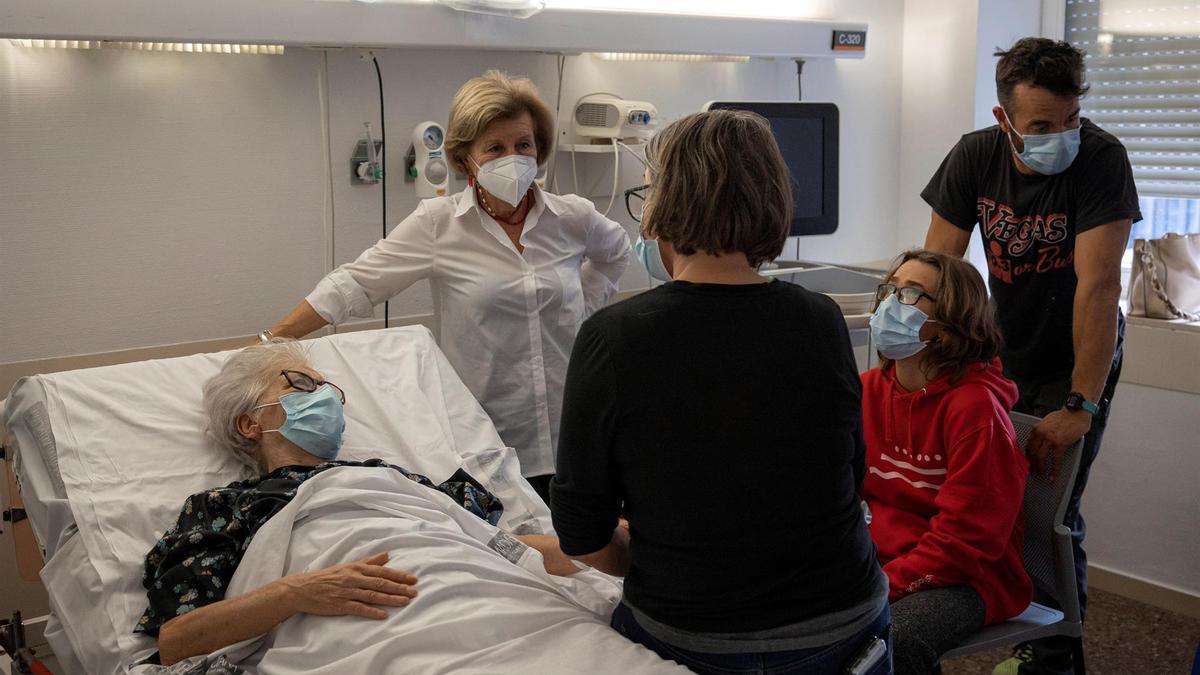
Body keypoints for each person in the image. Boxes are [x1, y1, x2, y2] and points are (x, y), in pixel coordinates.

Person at [551, 110, 892, 675]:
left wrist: (675, 553)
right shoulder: (820, 320)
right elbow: (845, 478)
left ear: (662, 207)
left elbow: (581, 536)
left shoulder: (613, 338)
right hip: (848, 628)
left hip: (695, 641)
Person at [260, 71, 632, 503]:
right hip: (488, 435)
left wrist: (584, 310)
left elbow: (616, 252)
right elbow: (355, 285)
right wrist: (270, 340)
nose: (513, 157)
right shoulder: (439, 225)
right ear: (465, 158)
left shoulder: (573, 217)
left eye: (523, 144)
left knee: (588, 558)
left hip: (576, 426)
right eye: (495, 148)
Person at [135, 340, 576, 666]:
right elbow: (177, 641)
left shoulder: (390, 477)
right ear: (249, 423)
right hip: (365, 631)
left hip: (481, 596)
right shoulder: (221, 506)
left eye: (332, 391)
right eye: (303, 383)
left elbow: (493, 543)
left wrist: (603, 542)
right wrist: (296, 592)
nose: (326, 396)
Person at [920, 37, 1139, 675]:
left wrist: (1080, 404)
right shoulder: (976, 155)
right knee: (987, 499)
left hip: (1077, 358)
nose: (1061, 135)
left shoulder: (1101, 160)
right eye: (1042, 126)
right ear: (1003, 120)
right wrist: (924, 360)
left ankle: (1053, 658)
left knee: (1047, 516)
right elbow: (938, 271)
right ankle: (1000, 621)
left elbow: (1099, 289)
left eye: (1070, 120)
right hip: (1000, 350)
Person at [862, 250, 1031, 675]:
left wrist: (881, 585)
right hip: (883, 558)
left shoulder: (975, 411)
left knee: (890, 640)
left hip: (968, 578)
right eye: (891, 290)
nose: (890, 304)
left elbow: (965, 542)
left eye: (912, 294)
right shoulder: (865, 390)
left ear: (953, 317)